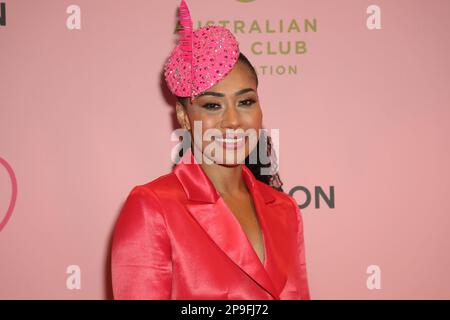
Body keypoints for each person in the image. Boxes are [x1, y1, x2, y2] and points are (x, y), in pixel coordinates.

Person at [111, 0, 310, 300]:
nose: (232, 121)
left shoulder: (285, 210)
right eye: (213, 105)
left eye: (245, 102)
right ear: (183, 116)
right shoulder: (153, 207)